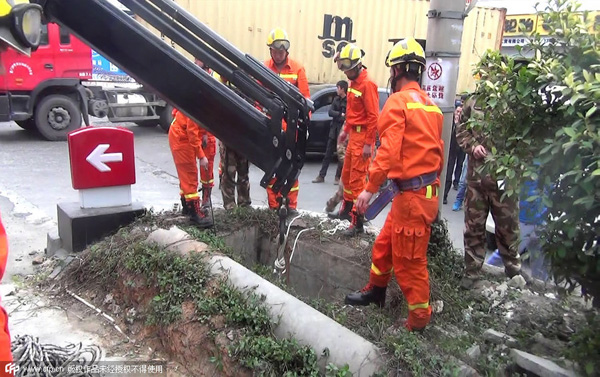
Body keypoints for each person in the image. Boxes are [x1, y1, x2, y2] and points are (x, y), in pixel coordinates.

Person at [344, 38, 444, 332]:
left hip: (412, 198)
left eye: (393, 68)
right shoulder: (432, 107)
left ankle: (417, 321)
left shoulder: (399, 102)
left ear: (398, 69)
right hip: (415, 195)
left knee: (409, 264)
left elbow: (388, 151)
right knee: (385, 245)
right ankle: (376, 291)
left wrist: (369, 188)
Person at [456, 96, 522, 287]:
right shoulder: (474, 100)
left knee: (508, 226)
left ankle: (513, 269)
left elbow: (527, 139)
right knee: (473, 227)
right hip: (477, 180)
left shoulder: (516, 98)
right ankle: (472, 272)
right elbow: (461, 129)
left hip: (504, 180)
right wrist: (473, 146)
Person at [334, 43, 379, 236]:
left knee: (358, 181)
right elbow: (353, 112)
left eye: (347, 69)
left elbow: (373, 117)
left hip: (363, 138)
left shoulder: (367, 84)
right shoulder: (353, 83)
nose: (345, 73)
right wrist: (346, 130)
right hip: (354, 136)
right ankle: (345, 211)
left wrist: (369, 143)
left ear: (356, 65)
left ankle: (357, 221)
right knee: (347, 176)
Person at [263, 28, 309, 215]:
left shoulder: (297, 69)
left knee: (291, 166)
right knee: (272, 166)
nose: (280, 53)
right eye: (276, 50)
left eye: (282, 50)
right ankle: (274, 206)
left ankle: (290, 206)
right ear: (271, 50)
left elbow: (306, 99)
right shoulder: (264, 67)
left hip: (291, 128)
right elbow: (258, 96)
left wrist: (304, 126)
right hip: (271, 126)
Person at [168, 109, 213, 228]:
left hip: (181, 133)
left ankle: (187, 208)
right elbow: (192, 134)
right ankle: (195, 215)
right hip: (182, 138)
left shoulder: (199, 103)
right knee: (189, 174)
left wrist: (203, 133)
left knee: (186, 174)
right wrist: (202, 156)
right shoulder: (195, 108)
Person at [194, 59, 218, 210]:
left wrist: (204, 132)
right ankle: (191, 199)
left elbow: (211, 109)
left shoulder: (211, 79)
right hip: (191, 129)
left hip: (206, 131)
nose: (196, 61)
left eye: (199, 59)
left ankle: (206, 198)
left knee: (207, 166)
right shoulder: (193, 75)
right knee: (190, 168)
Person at [313, 80, 348, 184]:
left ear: (342, 89)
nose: (337, 90)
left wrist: (340, 115)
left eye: (338, 88)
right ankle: (321, 176)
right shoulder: (336, 99)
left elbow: (346, 117)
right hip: (334, 130)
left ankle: (338, 177)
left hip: (342, 131)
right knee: (327, 154)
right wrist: (339, 114)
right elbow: (330, 112)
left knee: (341, 155)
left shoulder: (348, 101)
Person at [442, 100, 466, 204]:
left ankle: (456, 182)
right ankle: (444, 195)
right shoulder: (449, 122)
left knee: (459, 165)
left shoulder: (464, 124)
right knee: (448, 170)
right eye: (457, 112)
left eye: (460, 112)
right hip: (451, 150)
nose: (458, 114)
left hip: (461, 149)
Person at [218, 141, 252, 210]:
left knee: (244, 174)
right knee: (229, 175)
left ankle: (244, 203)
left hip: (244, 142)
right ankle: (230, 205)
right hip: (228, 142)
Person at [325, 138, 349, 218]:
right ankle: (333, 205)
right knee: (342, 191)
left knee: (356, 192)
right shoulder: (349, 127)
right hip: (351, 164)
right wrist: (347, 161)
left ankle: (356, 216)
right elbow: (341, 143)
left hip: (363, 165)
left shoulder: (370, 128)